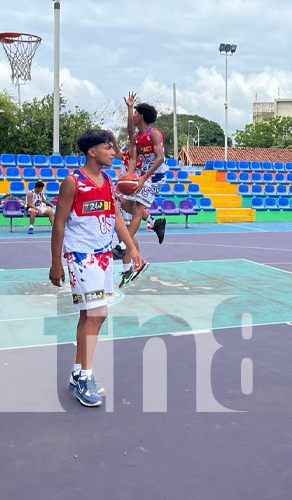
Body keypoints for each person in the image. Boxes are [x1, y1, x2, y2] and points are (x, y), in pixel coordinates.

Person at [49, 129, 143, 407]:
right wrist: (56, 263)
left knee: (89, 316)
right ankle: (85, 377)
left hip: (103, 257)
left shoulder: (108, 179)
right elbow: (59, 222)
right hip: (81, 256)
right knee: (98, 315)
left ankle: (78, 372)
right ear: (92, 151)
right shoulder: (73, 182)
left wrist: (131, 247)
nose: (113, 152)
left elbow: (114, 215)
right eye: (108, 148)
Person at [117, 93, 166, 285]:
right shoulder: (137, 137)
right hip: (143, 176)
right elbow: (133, 159)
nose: (133, 116)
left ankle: (123, 245)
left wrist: (144, 177)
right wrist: (128, 179)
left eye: (135, 113)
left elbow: (160, 158)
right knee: (125, 203)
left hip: (156, 177)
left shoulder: (154, 133)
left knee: (137, 209)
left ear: (142, 116)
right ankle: (155, 222)